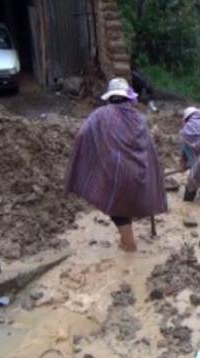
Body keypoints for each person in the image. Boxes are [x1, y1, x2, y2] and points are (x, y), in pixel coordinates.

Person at [65, 78, 167, 252]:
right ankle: (128, 240)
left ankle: (128, 244)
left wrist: (96, 151)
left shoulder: (100, 115)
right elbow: (149, 149)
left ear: (110, 97)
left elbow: (82, 134)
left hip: (116, 176)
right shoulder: (138, 118)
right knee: (124, 203)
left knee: (117, 207)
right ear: (127, 98)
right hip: (140, 175)